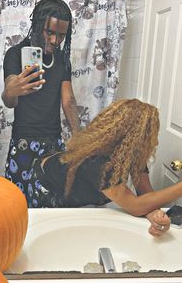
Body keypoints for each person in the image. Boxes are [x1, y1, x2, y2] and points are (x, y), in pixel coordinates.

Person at [27, 98, 176, 237]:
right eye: (150, 135)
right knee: (52, 234)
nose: (155, 141)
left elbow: (144, 195)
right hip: (46, 186)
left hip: (63, 177)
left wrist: (153, 214)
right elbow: (135, 205)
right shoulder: (98, 163)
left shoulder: (131, 153)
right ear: (135, 138)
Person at [2, 0, 80, 206]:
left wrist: (80, 139)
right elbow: (9, 99)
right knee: (18, 206)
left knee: (51, 205)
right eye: (50, 32)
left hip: (52, 144)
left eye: (61, 35)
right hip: (23, 142)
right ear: (37, 25)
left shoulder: (62, 59)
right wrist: (13, 89)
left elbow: (68, 100)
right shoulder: (15, 54)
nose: (55, 40)